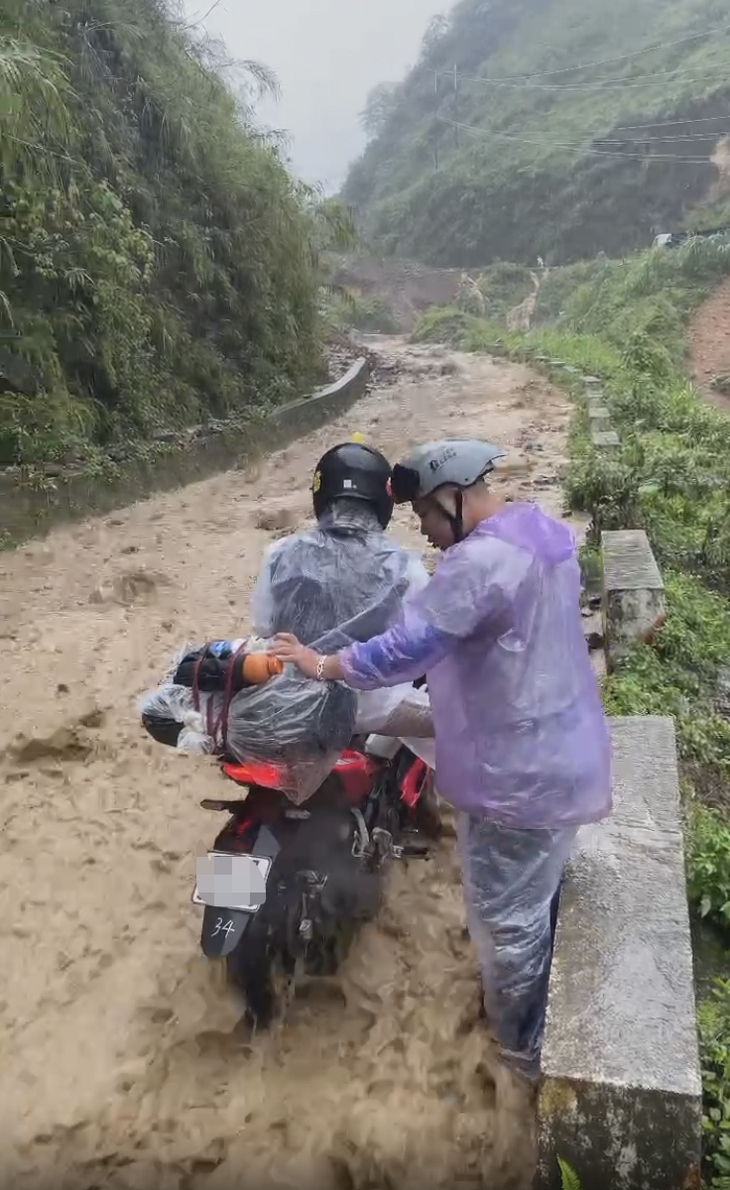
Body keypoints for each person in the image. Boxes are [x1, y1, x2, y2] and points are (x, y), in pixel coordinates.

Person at [270, 438, 612, 1079]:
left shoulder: (478, 564)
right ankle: (526, 1027)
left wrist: (324, 664)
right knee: (531, 902)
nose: (425, 531)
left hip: (515, 775)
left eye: (427, 514)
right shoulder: (542, 536)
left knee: (505, 923)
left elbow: (407, 646)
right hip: (554, 744)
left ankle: (517, 1057)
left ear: (455, 497)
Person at [251, 437, 434, 747]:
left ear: (320, 496)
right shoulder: (406, 567)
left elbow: (263, 626)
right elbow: (421, 646)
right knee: (460, 721)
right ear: (383, 501)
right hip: (371, 711)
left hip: (290, 700)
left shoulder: (278, 553)